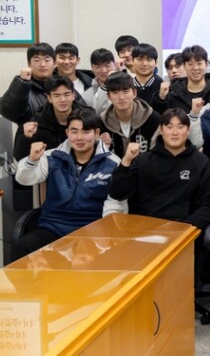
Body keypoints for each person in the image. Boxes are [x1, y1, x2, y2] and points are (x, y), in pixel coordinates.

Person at [12, 109, 121, 261]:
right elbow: (24, 179)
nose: (80, 137)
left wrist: (104, 237)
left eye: (86, 132)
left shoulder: (112, 163)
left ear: (96, 133)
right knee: (23, 247)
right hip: (52, 228)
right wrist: (32, 160)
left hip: (91, 231)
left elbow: (116, 205)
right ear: (67, 132)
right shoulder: (51, 156)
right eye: (74, 131)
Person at [108, 108, 210, 231]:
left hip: (183, 232)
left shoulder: (201, 163)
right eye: (169, 127)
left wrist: (184, 228)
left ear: (188, 130)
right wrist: (126, 161)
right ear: (161, 130)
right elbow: (117, 193)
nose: (175, 132)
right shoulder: (143, 161)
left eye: (180, 127)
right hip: (144, 231)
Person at [13, 76, 90, 160]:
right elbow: (20, 158)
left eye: (67, 94)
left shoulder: (87, 118)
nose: (63, 100)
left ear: (73, 95)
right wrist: (26, 138)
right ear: (49, 98)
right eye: (57, 95)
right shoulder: (38, 123)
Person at [100, 72, 160, 158]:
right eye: (115, 92)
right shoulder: (102, 122)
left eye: (125, 91)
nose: (121, 97)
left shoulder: (153, 119)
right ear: (109, 96)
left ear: (134, 93)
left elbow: (157, 155)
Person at [0, 42, 56, 125]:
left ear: (54, 63)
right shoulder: (23, 88)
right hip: (31, 133)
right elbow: (8, 112)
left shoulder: (63, 84)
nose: (42, 64)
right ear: (29, 64)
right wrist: (22, 82)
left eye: (47, 60)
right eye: (37, 60)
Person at [154, 45, 210, 113]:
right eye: (190, 64)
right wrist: (161, 99)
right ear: (184, 66)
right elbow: (161, 115)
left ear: (206, 64)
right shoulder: (173, 92)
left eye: (199, 63)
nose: (195, 68)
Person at [82, 48, 117, 114]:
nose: (103, 70)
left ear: (114, 64)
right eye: (98, 67)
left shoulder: (128, 87)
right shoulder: (86, 97)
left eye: (107, 66)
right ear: (92, 67)